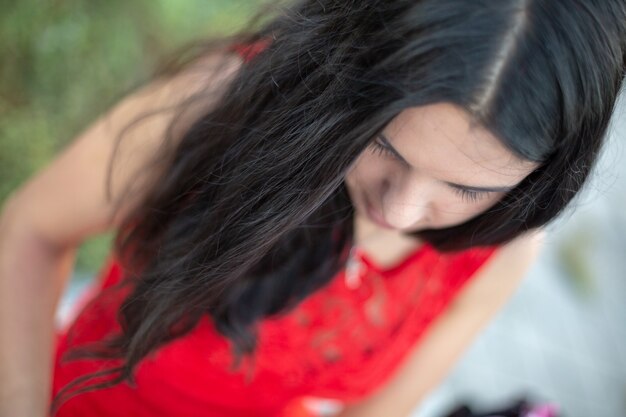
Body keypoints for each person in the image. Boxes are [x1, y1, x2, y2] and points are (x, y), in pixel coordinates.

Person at [0, 0, 624, 416]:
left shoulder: (501, 252)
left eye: (467, 189)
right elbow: (30, 234)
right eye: (382, 144)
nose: (402, 211)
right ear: (345, 81)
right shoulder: (224, 103)